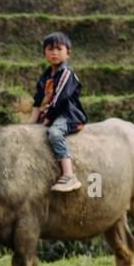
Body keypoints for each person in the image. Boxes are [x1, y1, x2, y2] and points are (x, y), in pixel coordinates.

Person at [27, 31, 87, 192]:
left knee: (54, 133)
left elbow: (59, 100)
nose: (54, 53)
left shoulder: (67, 74)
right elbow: (38, 100)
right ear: (44, 53)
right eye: (50, 49)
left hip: (67, 115)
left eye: (59, 49)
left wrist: (45, 121)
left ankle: (69, 175)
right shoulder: (45, 76)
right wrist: (31, 123)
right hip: (50, 114)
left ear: (68, 54)